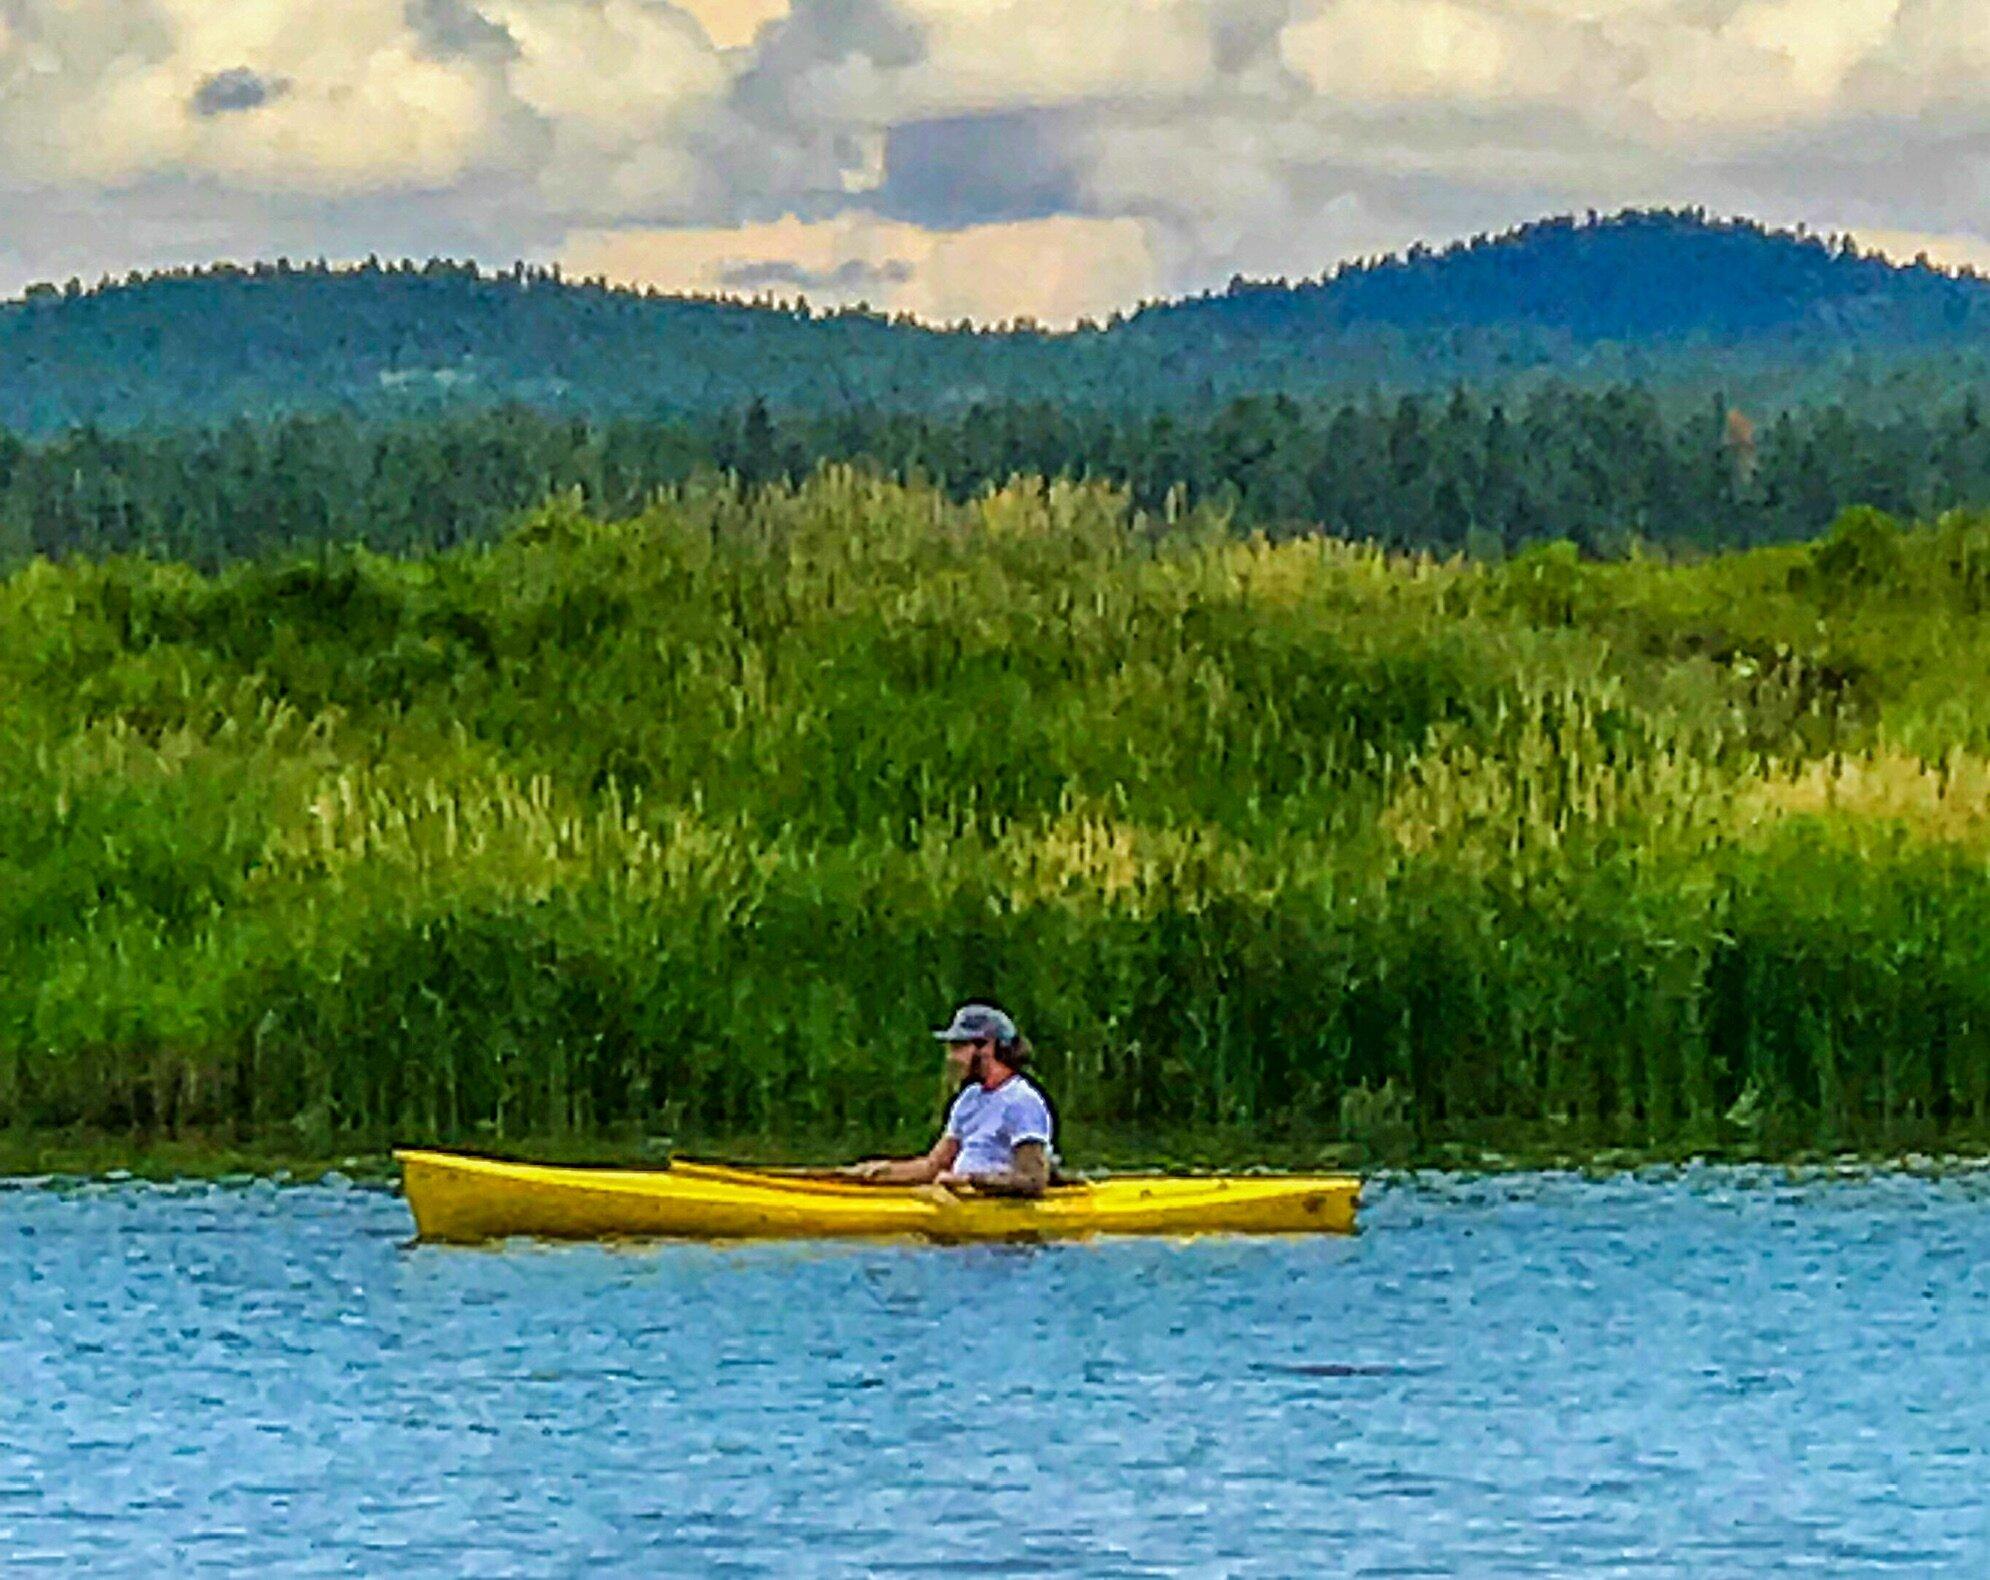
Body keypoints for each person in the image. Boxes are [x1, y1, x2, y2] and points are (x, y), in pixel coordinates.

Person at [846, 1003, 1055, 1197]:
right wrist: (882, 1170)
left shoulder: (1023, 1101)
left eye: (958, 1046)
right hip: (958, 1196)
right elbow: (933, 1166)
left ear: (987, 1047)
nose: (951, 1057)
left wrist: (970, 1180)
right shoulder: (969, 1098)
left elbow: (1033, 1181)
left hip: (989, 1203)